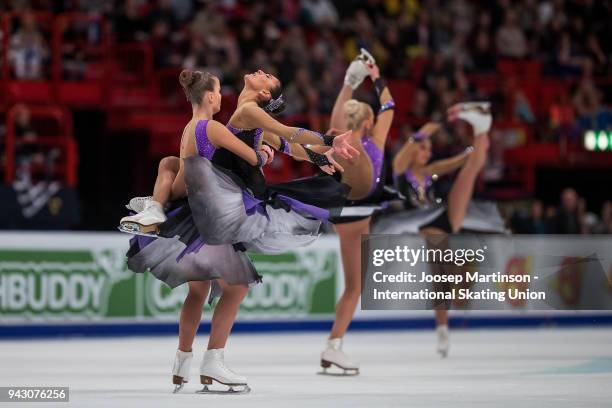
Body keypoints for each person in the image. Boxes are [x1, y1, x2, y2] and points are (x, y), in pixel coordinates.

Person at [126, 70, 275, 394]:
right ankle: (213, 361)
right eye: (219, 91)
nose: (221, 97)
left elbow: (185, 172)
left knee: (198, 292)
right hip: (206, 217)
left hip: (188, 211)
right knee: (236, 288)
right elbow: (250, 157)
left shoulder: (189, 127)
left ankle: (183, 361)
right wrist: (263, 152)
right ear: (209, 97)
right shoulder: (211, 127)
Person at [119, 69, 357, 235]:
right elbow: (288, 147)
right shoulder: (246, 116)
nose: (262, 71)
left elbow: (287, 134)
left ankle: (156, 205)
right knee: (169, 163)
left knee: (170, 167)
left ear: (264, 94)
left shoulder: (249, 111)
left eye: (267, 76)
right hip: (233, 187)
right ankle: (156, 205)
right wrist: (318, 156)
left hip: (244, 191)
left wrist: (329, 140)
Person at [373, 102, 504, 357]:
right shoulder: (401, 170)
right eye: (423, 148)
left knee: (471, 169)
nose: (427, 151)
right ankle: (443, 327)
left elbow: (455, 163)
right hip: (418, 224)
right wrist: (439, 122)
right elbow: (416, 140)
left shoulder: (430, 171)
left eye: (429, 149)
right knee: (441, 273)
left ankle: (482, 128)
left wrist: (472, 152)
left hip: (442, 219)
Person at [311, 51, 395, 375]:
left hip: (344, 209)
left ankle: (335, 345)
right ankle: (333, 346)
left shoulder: (339, 135)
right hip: (355, 213)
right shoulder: (375, 140)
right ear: (368, 120)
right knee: (354, 287)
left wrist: (350, 83)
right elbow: (390, 106)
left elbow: (338, 116)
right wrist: (376, 76)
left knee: (353, 287)